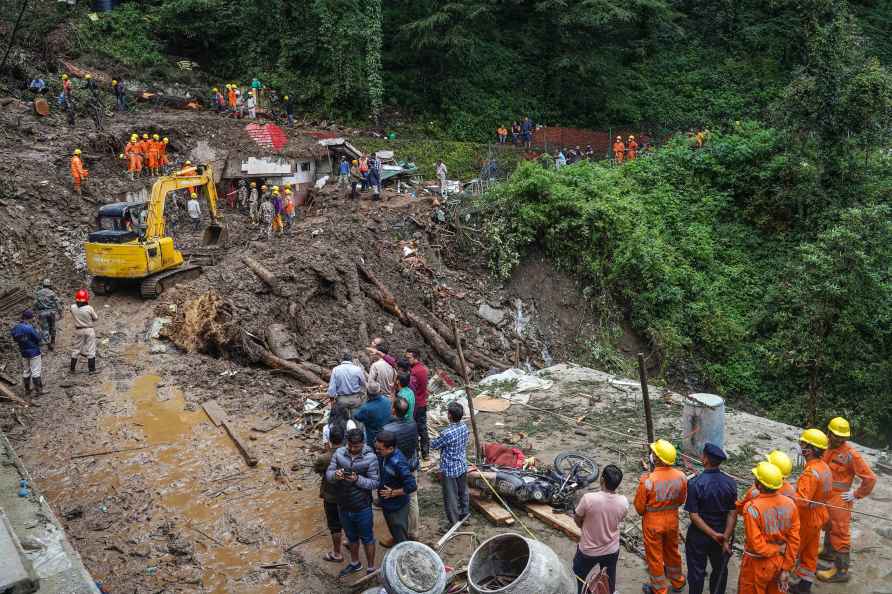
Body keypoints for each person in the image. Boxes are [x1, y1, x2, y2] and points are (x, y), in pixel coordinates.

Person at [817, 416, 876, 583]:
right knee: (828, 526)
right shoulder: (825, 446)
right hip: (825, 496)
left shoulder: (851, 454)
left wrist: (856, 494)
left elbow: (870, 478)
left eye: (842, 436)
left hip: (839, 499)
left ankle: (841, 571)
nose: (839, 438)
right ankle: (828, 553)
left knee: (840, 533)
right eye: (836, 435)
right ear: (829, 432)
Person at [738, 461, 801, 594]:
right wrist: (786, 568)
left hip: (757, 564)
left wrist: (776, 549)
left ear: (759, 484)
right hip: (780, 562)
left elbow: (757, 545)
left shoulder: (752, 508)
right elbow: (794, 540)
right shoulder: (790, 504)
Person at [635, 439, 687, 594]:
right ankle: (678, 582)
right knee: (672, 551)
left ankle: (659, 590)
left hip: (653, 524)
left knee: (655, 557)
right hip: (672, 521)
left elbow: (639, 508)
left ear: (657, 458)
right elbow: (680, 500)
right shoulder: (682, 477)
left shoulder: (648, 481)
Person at [684, 443, 737, 594]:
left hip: (699, 536)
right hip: (721, 533)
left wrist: (713, 534)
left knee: (696, 572)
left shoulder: (695, 483)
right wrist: (725, 537)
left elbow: (694, 515)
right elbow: (733, 513)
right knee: (720, 570)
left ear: (705, 459)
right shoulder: (731, 483)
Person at [326, 428, 379, 578]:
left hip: (362, 506)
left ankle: (371, 568)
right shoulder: (339, 453)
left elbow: (375, 483)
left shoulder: (371, 457)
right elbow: (329, 474)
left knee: (367, 537)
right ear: (346, 443)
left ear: (363, 443)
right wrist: (336, 475)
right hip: (343, 505)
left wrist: (358, 480)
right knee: (351, 537)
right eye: (350, 445)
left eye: (356, 446)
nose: (353, 449)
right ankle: (355, 563)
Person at [573, 464, 629, 593]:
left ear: (602, 480)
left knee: (578, 576)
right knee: (608, 581)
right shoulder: (624, 502)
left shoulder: (589, 499)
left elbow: (577, 517)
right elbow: (619, 519)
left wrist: (583, 526)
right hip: (611, 550)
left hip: (588, 551)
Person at [790, 429, 832, 593]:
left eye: (803, 444)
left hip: (806, 519)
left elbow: (802, 500)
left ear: (811, 449)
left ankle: (781, 582)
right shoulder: (824, 467)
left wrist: (786, 494)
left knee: (792, 551)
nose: (801, 447)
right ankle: (804, 586)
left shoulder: (810, 472)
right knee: (810, 552)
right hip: (820, 515)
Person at [380, 397, 419, 541]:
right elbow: (415, 444)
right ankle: (413, 532)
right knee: (412, 498)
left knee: (395, 498)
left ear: (393, 410)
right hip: (411, 464)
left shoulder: (388, 429)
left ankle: (399, 536)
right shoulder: (413, 424)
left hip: (396, 468)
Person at [375, 430, 417, 546]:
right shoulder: (384, 456)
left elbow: (412, 486)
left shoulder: (398, 463)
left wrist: (394, 492)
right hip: (386, 502)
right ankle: (395, 538)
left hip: (397, 506)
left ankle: (402, 549)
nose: (377, 452)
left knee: (399, 528)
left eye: (379, 449)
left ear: (390, 448)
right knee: (392, 526)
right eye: (376, 448)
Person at [431, 401, 470, 526]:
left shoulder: (447, 433)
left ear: (449, 416)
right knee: (463, 492)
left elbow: (434, 445)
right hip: (462, 465)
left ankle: (454, 523)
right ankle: (465, 516)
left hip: (450, 469)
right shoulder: (464, 427)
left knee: (451, 497)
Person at [315, 424, 346, 562]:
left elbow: (317, 470)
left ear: (329, 439)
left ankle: (337, 553)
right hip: (348, 494)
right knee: (348, 521)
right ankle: (351, 543)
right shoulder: (350, 455)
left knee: (334, 526)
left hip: (331, 495)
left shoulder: (324, 458)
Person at [11, 310, 43, 397]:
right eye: (32, 318)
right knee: (36, 371)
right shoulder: (29, 328)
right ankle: (38, 391)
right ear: (29, 318)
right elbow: (38, 338)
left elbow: (15, 339)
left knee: (26, 371)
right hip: (34, 352)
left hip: (23, 352)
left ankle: (27, 390)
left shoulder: (15, 328)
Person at [352, 380, 393, 447]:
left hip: (373, 437)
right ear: (380, 392)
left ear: (367, 393)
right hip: (387, 433)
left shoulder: (366, 408)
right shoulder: (387, 400)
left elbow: (357, 416)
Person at [405, 349, 429, 459]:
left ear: (416, 358)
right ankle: (426, 453)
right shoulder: (423, 369)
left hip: (416, 405)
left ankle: (417, 452)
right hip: (422, 403)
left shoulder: (414, 372)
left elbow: (412, 388)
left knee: (414, 429)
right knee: (423, 429)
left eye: (409, 358)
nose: (407, 359)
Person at [327, 353, 366, 418]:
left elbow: (332, 387)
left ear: (342, 360)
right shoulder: (357, 369)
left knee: (343, 421)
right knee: (357, 420)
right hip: (355, 399)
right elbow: (363, 383)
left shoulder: (336, 369)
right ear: (352, 360)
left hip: (341, 400)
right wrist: (362, 396)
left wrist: (332, 399)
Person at [70, 289, 98, 373]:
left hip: (78, 330)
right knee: (91, 350)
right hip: (89, 330)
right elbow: (95, 318)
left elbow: (72, 310)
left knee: (76, 350)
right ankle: (92, 370)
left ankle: (72, 369)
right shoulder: (89, 308)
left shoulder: (73, 307)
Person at [34, 279, 61, 351]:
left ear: (43, 285)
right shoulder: (52, 293)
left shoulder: (38, 293)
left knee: (45, 328)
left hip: (42, 313)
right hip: (52, 312)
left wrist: (35, 311)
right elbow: (58, 303)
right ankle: (52, 342)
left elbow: (35, 303)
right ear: (50, 285)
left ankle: (46, 344)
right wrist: (60, 313)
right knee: (53, 326)